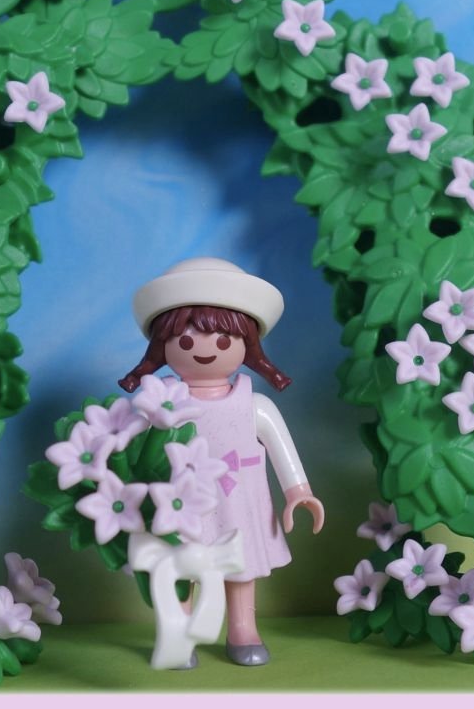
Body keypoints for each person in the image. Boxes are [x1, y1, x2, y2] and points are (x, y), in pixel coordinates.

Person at [119, 257, 325, 666]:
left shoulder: (255, 406)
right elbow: (126, 446)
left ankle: (243, 629)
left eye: (224, 340)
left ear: (247, 347)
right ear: (163, 349)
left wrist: (298, 492)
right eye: (186, 342)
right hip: (179, 502)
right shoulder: (160, 405)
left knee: (240, 565)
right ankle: (179, 634)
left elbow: (282, 449)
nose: (205, 350)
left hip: (240, 502)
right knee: (181, 565)